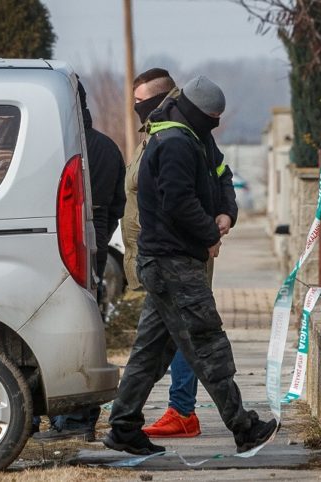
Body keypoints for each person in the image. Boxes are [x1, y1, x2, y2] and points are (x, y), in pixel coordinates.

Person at [103, 76, 276, 455]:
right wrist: (208, 235)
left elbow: (222, 176)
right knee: (206, 343)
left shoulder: (193, 137)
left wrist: (226, 213)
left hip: (168, 262)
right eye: (212, 116)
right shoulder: (177, 143)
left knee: (151, 352)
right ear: (198, 113)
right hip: (172, 263)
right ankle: (243, 427)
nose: (216, 122)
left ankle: (123, 427)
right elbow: (177, 204)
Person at [123, 68, 239, 439]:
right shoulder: (169, 136)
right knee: (161, 346)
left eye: (140, 103)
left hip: (178, 257)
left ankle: (214, 419)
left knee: (197, 342)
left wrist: (223, 216)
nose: (136, 110)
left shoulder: (182, 137)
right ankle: (127, 424)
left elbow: (208, 182)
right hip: (160, 258)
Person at [33, 79, 126, 442]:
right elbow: (118, 204)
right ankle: (79, 418)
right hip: (96, 243)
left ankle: (52, 418)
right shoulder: (106, 147)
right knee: (87, 326)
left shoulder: (55, 145)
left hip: (56, 242)